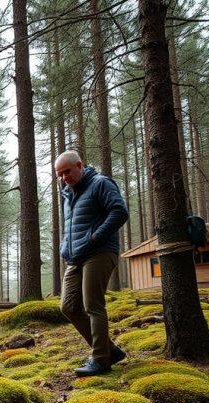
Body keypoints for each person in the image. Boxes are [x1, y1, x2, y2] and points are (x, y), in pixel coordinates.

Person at [55, 150, 130, 376]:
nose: (64, 177)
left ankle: (100, 359)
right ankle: (110, 350)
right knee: (68, 306)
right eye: (59, 174)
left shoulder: (100, 184)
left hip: (99, 252)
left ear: (80, 165)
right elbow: (71, 224)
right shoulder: (68, 193)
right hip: (75, 256)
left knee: (93, 306)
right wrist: (65, 247)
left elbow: (119, 212)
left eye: (67, 172)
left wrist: (95, 237)